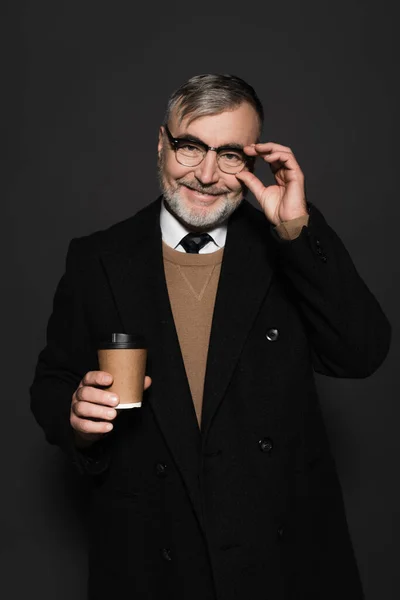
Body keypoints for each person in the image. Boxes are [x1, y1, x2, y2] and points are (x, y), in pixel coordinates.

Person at [30, 73, 391, 600]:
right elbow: (53, 379)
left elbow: (361, 352)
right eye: (190, 147)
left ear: (251, 162)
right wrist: (75, 415)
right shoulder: (97, 258)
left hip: (280, 557)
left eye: (228, 155)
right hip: (152, 553)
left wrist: (295, 229)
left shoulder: (284, 243)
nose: (204, 175)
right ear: (161, 144)